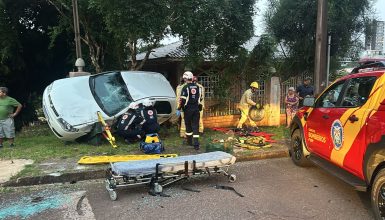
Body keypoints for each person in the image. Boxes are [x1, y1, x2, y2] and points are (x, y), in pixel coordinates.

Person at [178, 71, 203, 150]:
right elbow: (201, 98)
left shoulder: (185, 87)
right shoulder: (198, 87)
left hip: (188, 110)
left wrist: (179, 108)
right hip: (196, 109)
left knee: (188, 126)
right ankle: (196, 144)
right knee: (195, 126)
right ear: (192, 78)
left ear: (185, 78)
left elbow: (182, 100)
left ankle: (189, 142)